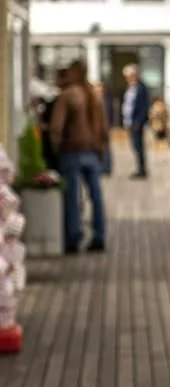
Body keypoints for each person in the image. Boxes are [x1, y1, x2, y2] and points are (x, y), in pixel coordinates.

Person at [49, 60, 108, 254]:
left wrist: (54, 147)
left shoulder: (68, 96)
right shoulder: (94, 95)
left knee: (73, 197)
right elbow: (104, 128)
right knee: (96, 196)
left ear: (74, 72)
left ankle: (73, 237)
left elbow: (56, 127)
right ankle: (99, 235)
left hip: (71, 150)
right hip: (92, 150)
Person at [121, 63, 150, 178]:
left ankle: (142, 169)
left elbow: (144, 106)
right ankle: (139, 168)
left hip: (137, 123)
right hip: (129, 121)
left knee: (139, 146)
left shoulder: (141, 88)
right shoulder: (130, 88)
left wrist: (139, 121)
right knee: (135, 146)